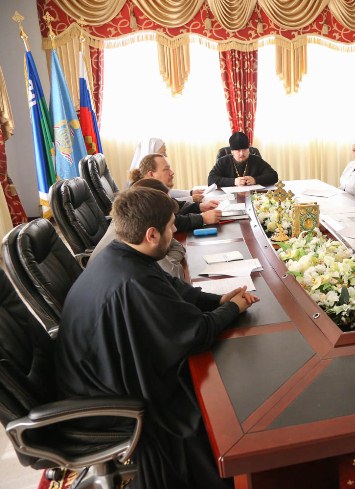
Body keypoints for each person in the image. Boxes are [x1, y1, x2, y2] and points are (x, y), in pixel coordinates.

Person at [55, 187, 260, 489]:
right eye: (171, 226)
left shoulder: (124, 254)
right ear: (152, 234)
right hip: (103, 399)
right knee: (211, 404)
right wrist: (233, 308)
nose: (175, 231)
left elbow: (176, 291)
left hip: (99, 368)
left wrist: (218, 301)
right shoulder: (133, 282)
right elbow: (195, 334)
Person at [90, 178, 190, 282]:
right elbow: (173, 274)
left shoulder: (134, 223)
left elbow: (177, 246)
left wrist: (171, 260)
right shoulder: (135, 236)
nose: (174, 229)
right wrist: (170, 262)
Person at [132, 153, 222, 231]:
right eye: (166, 169)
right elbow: (169, 222)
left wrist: (200, 207)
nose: (172, 173)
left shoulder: (153, 190)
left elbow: (174, 204)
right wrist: (203, 218)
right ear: (151, 174)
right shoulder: (143, 197)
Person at [127, 137, 196, 199]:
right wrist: (190, 196)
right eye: (162, 153)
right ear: (151, 174)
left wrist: (190, 194)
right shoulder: (143, 195)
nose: (165, 155)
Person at [208, 132, 278, 188]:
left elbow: (274, 176)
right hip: (229, 197)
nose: (241, 153)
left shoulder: (256, 160)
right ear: (232, 151)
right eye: (238, 150)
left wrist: (255, 180)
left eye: (244, 149)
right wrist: (233, 181)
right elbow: (211, 180)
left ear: (248, 149)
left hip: (253, 196)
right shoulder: (223, 161)